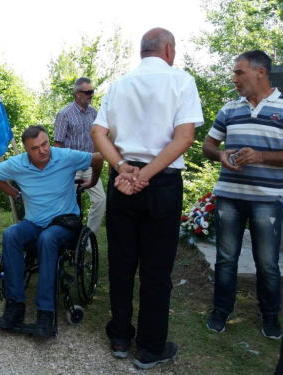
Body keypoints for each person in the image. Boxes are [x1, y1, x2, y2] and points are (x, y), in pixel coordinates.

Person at [91, 28, 204, 369]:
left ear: (143, 51)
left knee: (122, 263)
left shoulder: (119, 84)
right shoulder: (181, 81)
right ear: (168, 49)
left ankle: (120, 336)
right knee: (156, 270)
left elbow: (98, 132)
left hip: (123, 182)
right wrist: (146, 174)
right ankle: (150, 347)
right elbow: (184, 138)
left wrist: (125, 168)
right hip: (161, 184)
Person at [0, 125, 103, 338]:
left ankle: (45, 312)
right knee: (11, 234)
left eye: (45, 144)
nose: (42, 150)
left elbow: (98, 159)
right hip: (34, 222)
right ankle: (15, 306)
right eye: (35, 148)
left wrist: (93, 182)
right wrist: (16, 194)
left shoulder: (66, 156)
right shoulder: (17, 164)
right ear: (26, 150)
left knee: (47, 238)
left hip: (64, 224)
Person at [202, 50, 283, 340]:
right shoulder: (229, 109)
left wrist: (260, 155)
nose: (234, 78)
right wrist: (220, 154)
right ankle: (221, 310)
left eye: (239, 72)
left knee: (267, 262)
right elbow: (207, 145)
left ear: (260, 73)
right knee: (225, 258)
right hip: (229, 196)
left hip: (268, 199)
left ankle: (270, 314)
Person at [54, 77, 105, 233]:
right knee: (67, 203)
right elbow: (58, 145)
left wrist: (98, 159)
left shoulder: (94, 112)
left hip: (90, 163)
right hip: (71, 166)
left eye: (92, 91)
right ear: (77, 94)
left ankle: (88, 239)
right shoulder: (64, 114)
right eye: (88, 92)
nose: (91, 95)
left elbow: (98, 138)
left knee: (100, 200)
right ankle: (67, 235)